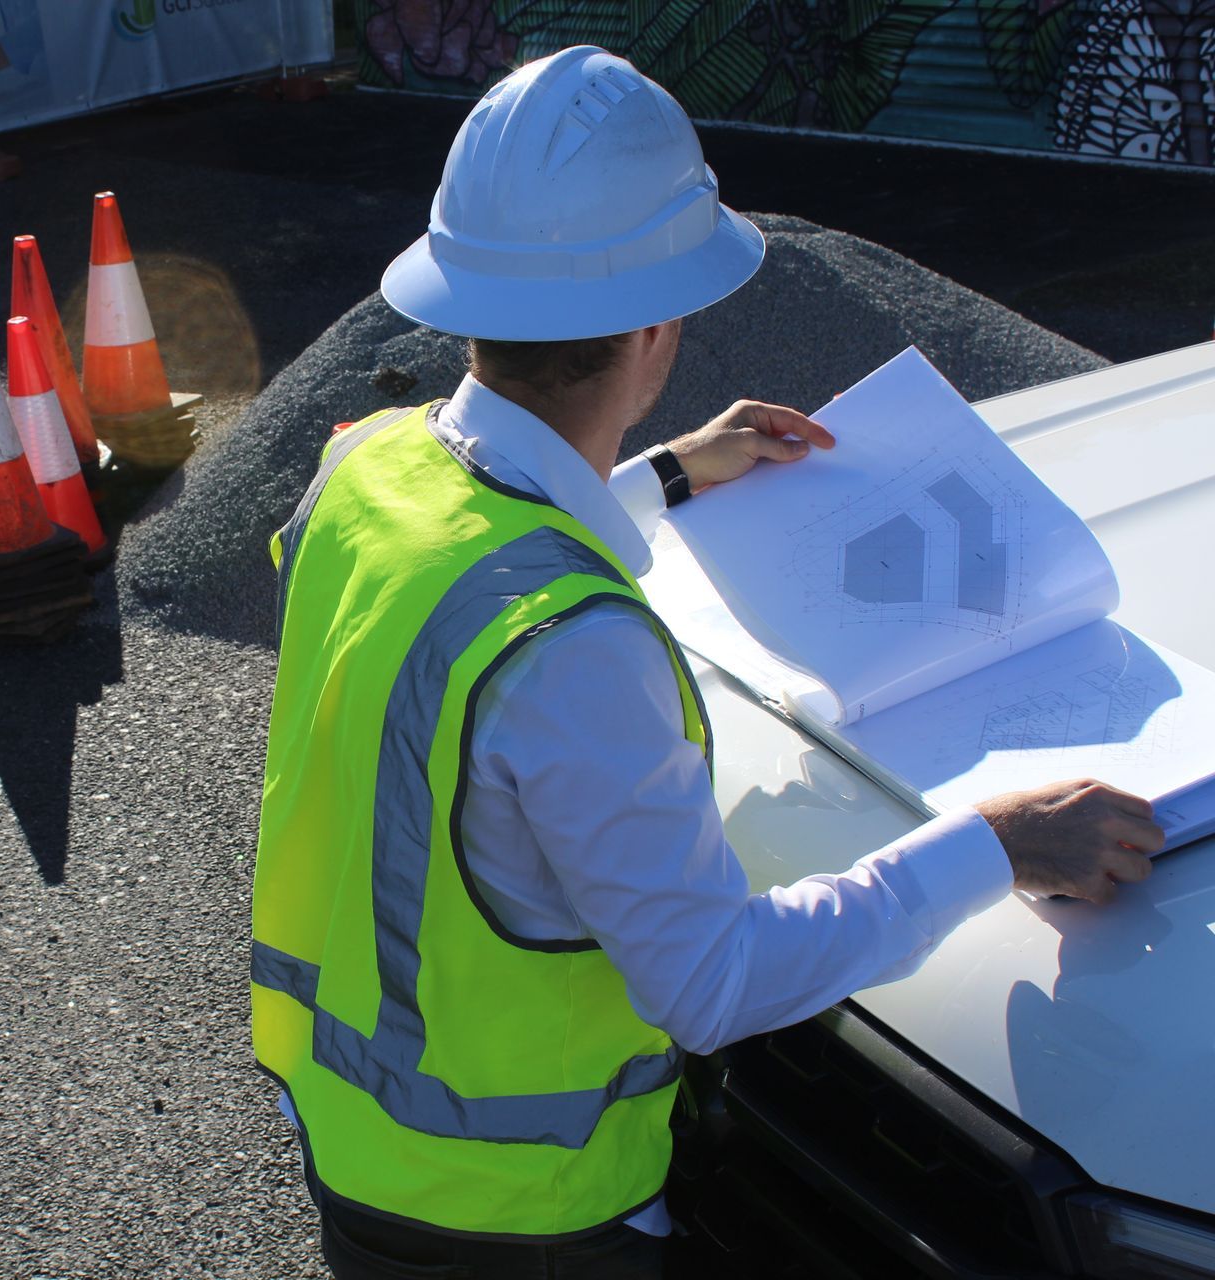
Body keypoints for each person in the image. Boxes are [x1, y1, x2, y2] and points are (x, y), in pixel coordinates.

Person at [249, 45, 1162, 1280]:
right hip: (521, 1213)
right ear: (655, 326)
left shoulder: (366, 466)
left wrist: (671, 472)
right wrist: (996, 841)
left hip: (358, 1129)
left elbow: (471, 547)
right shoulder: (576, 650)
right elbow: (712, 983)